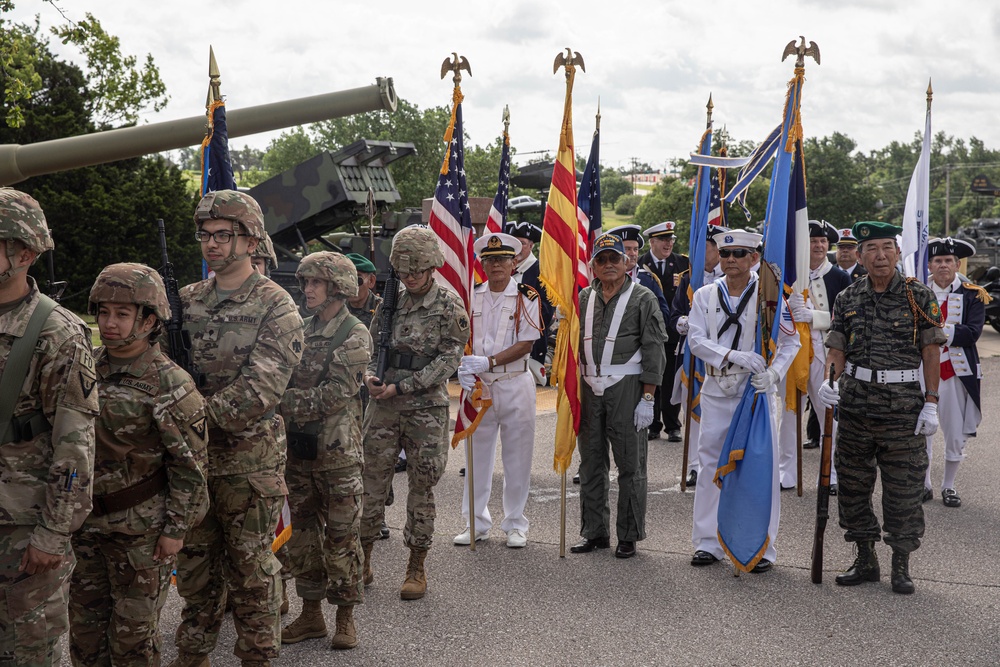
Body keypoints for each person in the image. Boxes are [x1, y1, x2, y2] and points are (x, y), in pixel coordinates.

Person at [171, 189, 305, 667]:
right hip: (190, 464)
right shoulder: (184, 301)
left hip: (248, 464)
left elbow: (261, 390)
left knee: (251, 571)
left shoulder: (277, 305)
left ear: (251, 241)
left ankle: (257, 658)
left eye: (223, 235)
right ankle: (194, 653)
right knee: (195, 570)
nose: (212, 244)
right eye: (205, 235)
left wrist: (183, 422)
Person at [70, 263, 209, 666]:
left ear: (149, 321)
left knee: (132, 641)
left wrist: (175, 530)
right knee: (84, 635)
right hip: (86, 526)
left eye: (122, 314)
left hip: (141, 533)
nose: (109, 323)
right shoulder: (85, 367)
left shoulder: (171, 383)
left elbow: (192, 467)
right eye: (104, 313)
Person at [818, 221, 945, 595]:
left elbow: (931, 350)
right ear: (859, 255)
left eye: (887, 247)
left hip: (903, 407)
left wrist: (931, 403)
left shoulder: (918, 296)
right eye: (872, 248)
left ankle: (901, 564)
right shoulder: (848, 297)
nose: (880, 255)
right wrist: (830, 383)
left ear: (897, 252)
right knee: (854, 487)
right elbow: (837, 347)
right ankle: (865, 558)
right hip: (856, 406)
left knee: (903, 490)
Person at [0, 189, 98, 666]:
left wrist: (54, 534)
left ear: (24, 254)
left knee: (26, 653)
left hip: (21, 525)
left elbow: (76, 444)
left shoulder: (56, 332)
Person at [360, 226, 467, 600]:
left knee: (422, 487)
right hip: (383, 407)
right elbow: (371, 347)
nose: (410, 278)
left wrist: (404, 385)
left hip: (425, 408)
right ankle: (364, 559)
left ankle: (416, 567)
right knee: (370, 483)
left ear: (431, 266)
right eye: (404, 273)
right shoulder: (390, 303)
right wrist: (370, 375)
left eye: (416, 272)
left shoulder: (448, 305)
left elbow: (450, 358)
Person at [687, 230, 800, 572]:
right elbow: (695, 340)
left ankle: (762, 546)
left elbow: (790, 343)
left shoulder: (771, 296)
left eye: (739, 253)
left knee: (759, 468)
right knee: (709, 463)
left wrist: (775, 374)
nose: (731, 259)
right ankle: (707, 542)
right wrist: (733, 354)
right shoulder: (705, 295)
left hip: (755, 392)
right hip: (717, 388)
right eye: (725, 253)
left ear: (754, 259)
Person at [279, 252, 371, 650]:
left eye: (316, 283)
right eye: (306, 283)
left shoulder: (355, 333)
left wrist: (279, 402)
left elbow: (337, 393)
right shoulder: (300, 328)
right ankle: (311, 615)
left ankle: (346, 618)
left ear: (337, 287)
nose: (307, 290)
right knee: (302, 538)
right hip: (300, 454)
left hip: (338, 455)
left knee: (341, 538)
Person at [570, 233, 666, 559]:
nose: (609, 265)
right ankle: (594, 531)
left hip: (627, 388)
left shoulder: (643, 298)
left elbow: (655, 350)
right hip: (589, 389)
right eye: (602, 259)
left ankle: (628, 534)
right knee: (591, 464)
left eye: (615, 258)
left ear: (626, 262)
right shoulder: (582, 298)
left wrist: (648, 399)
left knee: (630, 465)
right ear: (593, 265)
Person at [453, 233, 542, 548]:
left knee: (517, 457)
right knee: (476, 456)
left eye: (502, 259)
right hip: (478, 386)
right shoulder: (472, 296)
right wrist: (462, 367)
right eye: (490, 260)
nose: (496, 265)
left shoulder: (526, 296)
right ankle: (475, 522)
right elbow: (457, 338)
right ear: (483, 264)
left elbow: (527, 343)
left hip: (514, 382)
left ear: (514, 262)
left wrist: (488, 361)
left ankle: (516, 524)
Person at [779, 220, 852, 491]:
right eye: (813, 241)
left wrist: (816, 316)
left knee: (828, 412)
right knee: (789, 413)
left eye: (823, 241)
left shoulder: (839, 277)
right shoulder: (789, 276)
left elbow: (846, 316)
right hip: (792, 351)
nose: (819, 246)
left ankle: (831, 473)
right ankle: (786, 471)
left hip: (824, 352)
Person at [922, 237, 986, 508]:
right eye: (938, 260)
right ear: (930, 264)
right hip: (922, 370)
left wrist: (938, 332)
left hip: (955, 372)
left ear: (957, 264)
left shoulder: (973, 293)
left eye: (949, 261)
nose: (944, 265)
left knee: (955, 432)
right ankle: (924, 484)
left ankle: (948, 485)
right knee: (922, 429)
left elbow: (972, 333)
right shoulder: (917, 290)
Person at [671, 225, 728, 487]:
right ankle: (695, 465)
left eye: (705, 246)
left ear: (718, 249)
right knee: (691, 407)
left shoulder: (731, 280)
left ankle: (724, 462)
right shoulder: (688, 279)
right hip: (692, 354)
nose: (699, 252)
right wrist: (689, 322)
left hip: (723, 355)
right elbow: (674, 316)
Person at [345, 252, 392, 540]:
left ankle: (378, 515)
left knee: (376, 458)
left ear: (371, 280)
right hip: (346, 393)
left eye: (357, 280)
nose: (351, 286)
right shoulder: (335, 307)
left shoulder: (385, 309)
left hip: (374, 392)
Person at [638, 221, 689, 442]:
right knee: (652, 376)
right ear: (652, 242)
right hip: (649, 332)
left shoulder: (683, 263)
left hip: (674, 332)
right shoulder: (641, 264)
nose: (669, 244)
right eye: (663, 240)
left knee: (671, 378)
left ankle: (673, 425)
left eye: (671, 240)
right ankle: (653, 424)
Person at [507, 220, 554, 375]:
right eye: (515, 244)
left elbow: (546, 313)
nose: (518, 249)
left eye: (522, 243)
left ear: (532, 246)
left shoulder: (542, 273)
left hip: (531, 348)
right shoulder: (506, 269)